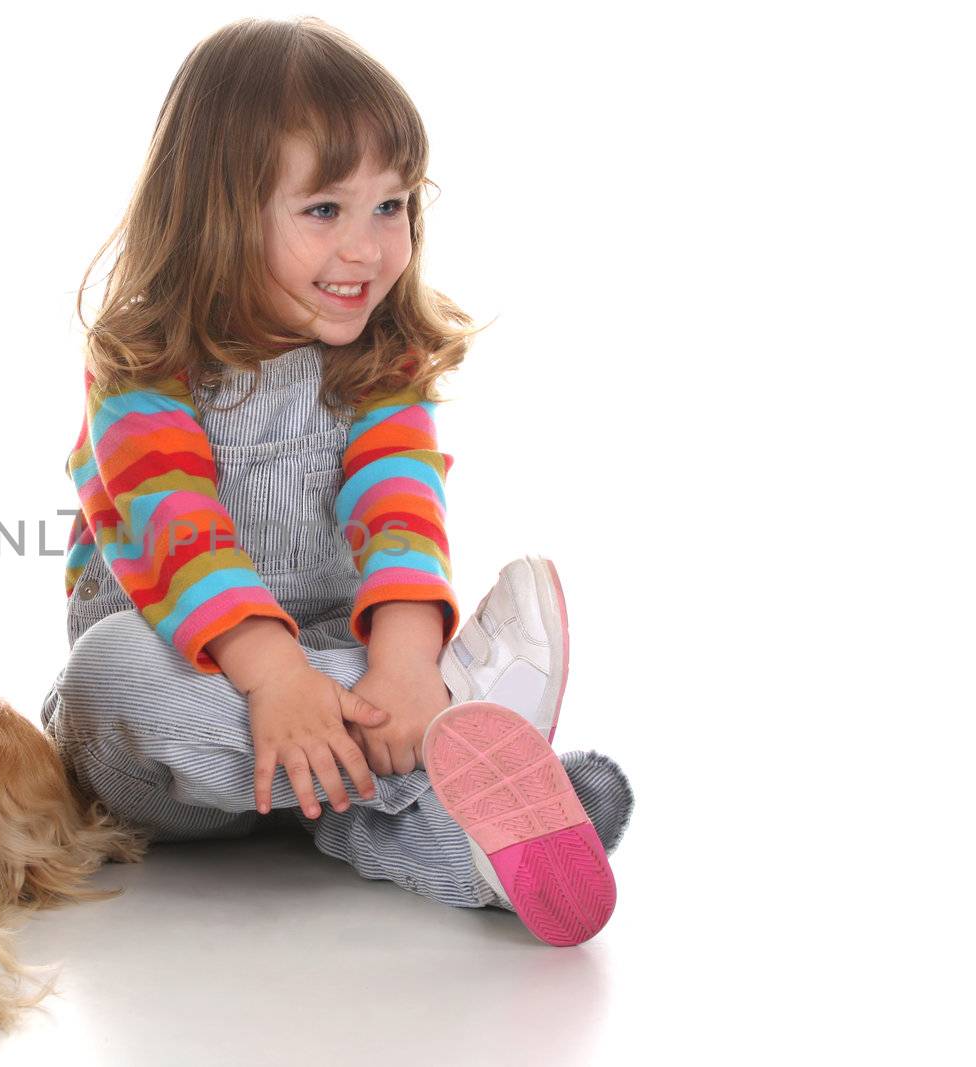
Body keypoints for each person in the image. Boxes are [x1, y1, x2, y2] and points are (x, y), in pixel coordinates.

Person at [40, 16, 633, 947]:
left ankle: (469, 834)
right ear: (217, 215)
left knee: (378, 692)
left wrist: (401, 661)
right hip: (197, 716)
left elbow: (400, 509)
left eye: (391, 206)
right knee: (105, 675)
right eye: (325, 211)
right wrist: (277, 676)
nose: (369, 249)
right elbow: (176, 527)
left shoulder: (380, 358)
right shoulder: (143, 367)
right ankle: (458, 748)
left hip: (333, 692)